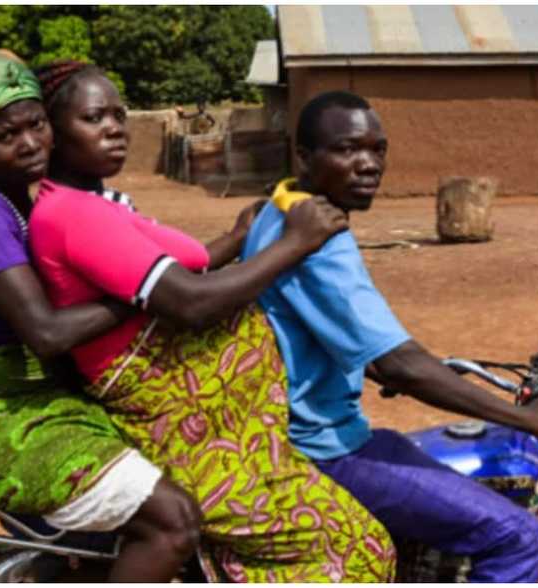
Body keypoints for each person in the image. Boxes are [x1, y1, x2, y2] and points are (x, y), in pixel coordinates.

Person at [28, 61, 396, 582]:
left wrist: (235, 238)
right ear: (52, 129)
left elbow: (171, 269)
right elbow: (189, 302)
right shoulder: (74, 214)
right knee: (357, 546)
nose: (115, 128)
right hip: (193, 431)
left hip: (234, 426)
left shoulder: (100, 204)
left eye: (119, 114)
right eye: (93, 117)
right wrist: (294, 243)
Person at [240, 91, 538, 583]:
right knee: (517, 536)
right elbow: (401, 363)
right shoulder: (318, 239)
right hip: (322, 447)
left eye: (378, 150)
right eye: (348, 149)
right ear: (305, 156)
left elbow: (344, 335)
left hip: (290, 431)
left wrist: (379, 363)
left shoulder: (281, 207)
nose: (368, 164)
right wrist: (527, 418)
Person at [0, 51, 205, 582]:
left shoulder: (29, 200)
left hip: (33, 398)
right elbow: (45, 333)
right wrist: (142, 293)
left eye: (36, 125)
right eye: (5, 135)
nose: (29, 144)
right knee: (173, 522)